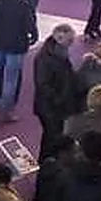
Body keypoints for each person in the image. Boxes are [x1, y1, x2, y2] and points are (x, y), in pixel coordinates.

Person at [33, 24, 80, 159]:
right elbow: (42, 85)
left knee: (51, 137)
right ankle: (46, 163)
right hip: (50, 107)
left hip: (55, 105)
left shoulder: (58, 52)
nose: (72, 43)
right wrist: (59, 99)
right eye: (70, 40)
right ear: (59, 38)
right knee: (52, 138)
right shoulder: (44, 58)